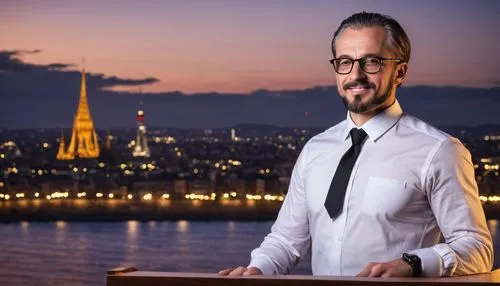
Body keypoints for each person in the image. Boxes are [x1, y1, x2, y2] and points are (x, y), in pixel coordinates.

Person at [218, 11, 493, 277]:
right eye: (345, 61)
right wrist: (256, 271)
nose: (356, 74)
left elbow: (477, 248)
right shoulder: (316, 149)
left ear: (400, 72)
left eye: (371, 61)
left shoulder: (439, 151)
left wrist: (412, 264)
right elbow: (287, 239)